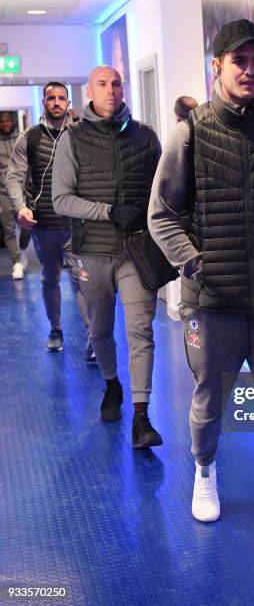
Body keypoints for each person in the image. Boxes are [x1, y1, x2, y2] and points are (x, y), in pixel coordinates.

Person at [149, 19, 254, 590]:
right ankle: (203, 469)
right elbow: (161, 215)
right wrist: (197, 264)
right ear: (216, 67)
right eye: (237, 60)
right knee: (208, 403)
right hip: (212, 302)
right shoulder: (189, 135)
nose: (249, 70)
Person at [51, 65, 163, 449]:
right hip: (91, 251)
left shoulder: (146, 137)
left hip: (136, 250)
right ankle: (112, 384)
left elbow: (163, 192)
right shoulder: (73, 139)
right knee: (99, 329)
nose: (111, 90)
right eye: (103, 84)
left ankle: (142, 416)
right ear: (89, 91)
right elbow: (60, 199)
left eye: (116, 83)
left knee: (140, 329)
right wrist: (108, 210)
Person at [7, 82, 91, 354]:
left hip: (77, 223)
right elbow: (14, 177)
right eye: (51, 98)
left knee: (82, 280)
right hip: (44, 224)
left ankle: (93, 338)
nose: (57, 102)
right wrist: (20, 207)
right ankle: (55, 329)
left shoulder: (83, 135)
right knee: (50, 278)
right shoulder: (29, 138)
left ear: (68, 102)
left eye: (62, 98)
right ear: (44, 101)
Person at [0, 112, 23, 280]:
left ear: (13, 122)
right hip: (3, 193)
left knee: (29, 226)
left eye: (8, 120)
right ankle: (16, 263)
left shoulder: (22, 138)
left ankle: (22, 245)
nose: (5, 123)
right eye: (2, 121)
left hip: (23, 190)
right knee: (8, 229)